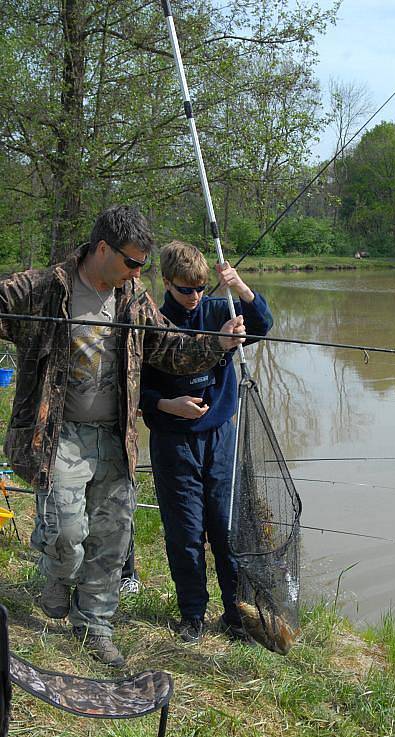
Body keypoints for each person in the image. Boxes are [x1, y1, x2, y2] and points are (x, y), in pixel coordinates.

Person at [0, 206, 245, 666]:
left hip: (114, 434)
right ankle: (57, 573)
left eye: (142, 265)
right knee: (66, 535)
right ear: (101, 249)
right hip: (58, 435)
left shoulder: (132, 297)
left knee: (112, 539)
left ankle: (95, 624)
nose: (137, 272)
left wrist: (217, 343)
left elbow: (168, 346)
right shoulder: (42, 288)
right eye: (132, 262)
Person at [140, 240, 273, 643]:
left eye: (200, 288)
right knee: (185, 533)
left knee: (226, 529)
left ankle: (235, 614)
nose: (195, 297)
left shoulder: (221, 310)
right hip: (174, 440)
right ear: (166, 282)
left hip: (219, 438)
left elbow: (262, 323)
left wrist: (242, 289)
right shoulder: (154, 323)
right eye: (185, 289)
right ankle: (193, 614)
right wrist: (168, 404)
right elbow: (137, 390)